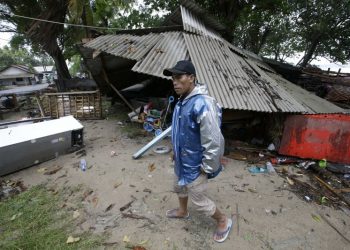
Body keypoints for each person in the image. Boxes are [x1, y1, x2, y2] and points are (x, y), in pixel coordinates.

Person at [163, 60, 232, 243]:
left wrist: (208, 166)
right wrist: (174, 151)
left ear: (192, 78)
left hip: (196, 163)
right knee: (179, 187)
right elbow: (180, 130)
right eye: (172, 78)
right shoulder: (181, 102)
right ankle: (182, 211)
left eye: (179, 77)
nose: (174, 82)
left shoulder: (203, 103)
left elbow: (214, 140)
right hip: (181, 160)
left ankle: (223, 220)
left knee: (199, 200)